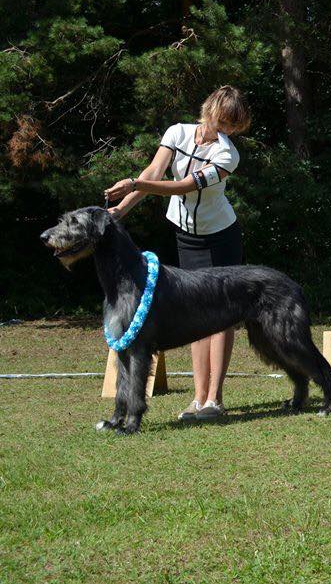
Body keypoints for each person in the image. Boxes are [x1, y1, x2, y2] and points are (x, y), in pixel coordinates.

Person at [104, 85, 251, 420]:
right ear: (211, 110)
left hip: (220, 235)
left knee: (222, 314)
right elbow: (153, 174)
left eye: (234, 126)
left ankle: (214, 398)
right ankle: (197, 399)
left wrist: (136, 185)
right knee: (196, 314)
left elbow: (186, 186)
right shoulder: (177, 132)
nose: (228, 130)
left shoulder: (229, 155)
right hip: (187, 234)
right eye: (226, 121)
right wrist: (121, 211)